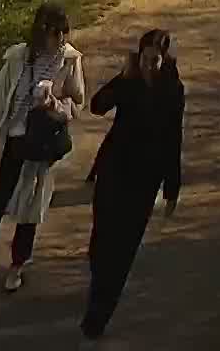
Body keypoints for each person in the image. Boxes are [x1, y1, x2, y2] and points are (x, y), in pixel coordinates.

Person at [0, 0, 85, 301]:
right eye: (56, 33)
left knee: (29, 211)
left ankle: (17, 266)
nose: (61, 39)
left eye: (64, 32)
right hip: (13, 142)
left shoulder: (70, 60)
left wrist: (55, 105)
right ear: (42, 31)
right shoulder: (18, 58)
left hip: (41, 146)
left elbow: (78, 102)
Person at [80, 29, 185, 339]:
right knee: (101, 245)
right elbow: (97, 106)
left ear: (165, 61)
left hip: (144, 180)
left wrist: (171, 188)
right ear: (138, 57)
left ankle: (96, 318)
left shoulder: (173, 90)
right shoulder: (129, 80)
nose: (150, 65)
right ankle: (99, 282)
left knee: (122, 251)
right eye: (146, 59)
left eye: (156, 60)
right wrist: (123, 80)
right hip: (114, 170)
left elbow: (173, 140)